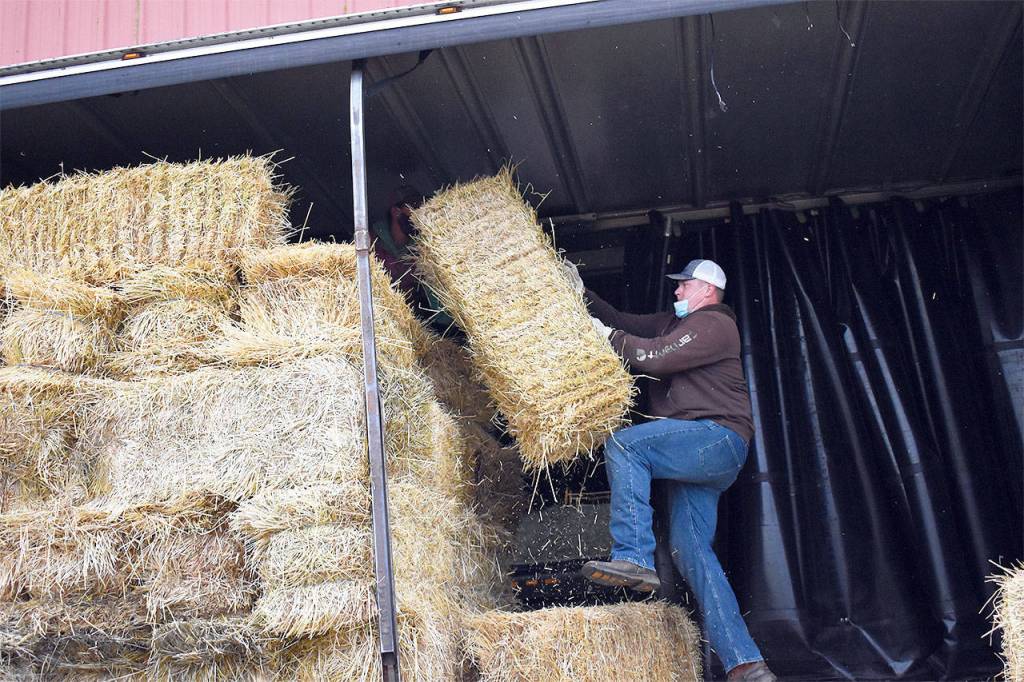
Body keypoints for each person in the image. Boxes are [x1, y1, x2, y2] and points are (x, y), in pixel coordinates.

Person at [564, 258, 776, 682]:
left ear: (707, 291)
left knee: (625, 444)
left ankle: (633, 556)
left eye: (684, 286)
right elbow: (624, 320)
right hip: (698, 453)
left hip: (716, 438)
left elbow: (654, 358)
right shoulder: (672, 324)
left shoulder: (715, 325)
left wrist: (609, 339)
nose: (676, 292)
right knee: (691, 550)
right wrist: (581, 293)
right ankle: (745, 663)